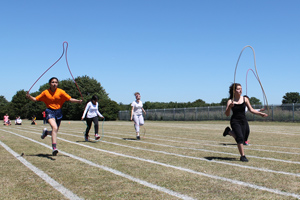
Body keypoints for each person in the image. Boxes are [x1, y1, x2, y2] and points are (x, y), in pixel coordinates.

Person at [26, 77, 82, 156]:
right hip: (49, 111)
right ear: (49, 84)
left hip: (58, 112)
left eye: (56, 82)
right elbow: (35, 99)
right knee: (54, 128)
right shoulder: (45, 92)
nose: (54, 84)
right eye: (52, 82)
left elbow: (69, 99)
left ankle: (46, 132)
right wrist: (29, 97)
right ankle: (54, 148)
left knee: (55, 131)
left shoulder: (61, 91)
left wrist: (78, 101)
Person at [223, 83, 267, 162]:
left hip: (243, 121)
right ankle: (242, 156)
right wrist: (229, 107)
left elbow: (251, 110)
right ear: (234, 91)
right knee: (239, 137)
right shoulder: (230, 101)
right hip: (235, 121)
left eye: (241, 88)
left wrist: (260, 114)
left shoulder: (245, 99)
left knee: (242, 139)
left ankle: (229, 132)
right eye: (238, 89)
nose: (240, 90)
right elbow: (227, 114)